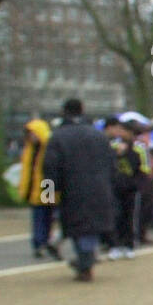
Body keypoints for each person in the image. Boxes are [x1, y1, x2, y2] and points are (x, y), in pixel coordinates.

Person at [43, 99, 115, 281]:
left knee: (78, 227)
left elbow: (49, 168)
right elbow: (112, 165)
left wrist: (48, 196)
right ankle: (87, 259)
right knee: (91, 226)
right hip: (100, 188)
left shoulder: (58, 137)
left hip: (73, 189)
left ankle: (85, 261)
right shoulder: (98, 136)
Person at [17, 118, 60, 260]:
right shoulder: (30, 149)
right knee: (39, 216)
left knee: (47, 216)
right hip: (35, 187)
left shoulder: (48, 147)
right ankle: (39, 243)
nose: (31, 137)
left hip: (47, 185)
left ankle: (44, 241)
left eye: (33, 133)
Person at [104, 118, 141, 260]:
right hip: (114, 187)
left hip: (130, 188)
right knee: (115, 216)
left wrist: (126, 153)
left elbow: (141, 166)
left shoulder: (137, 147)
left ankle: (129, 244)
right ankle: (114, 245)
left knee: (130, 216)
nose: (119, 132)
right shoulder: (111, 146)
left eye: (122, 130)